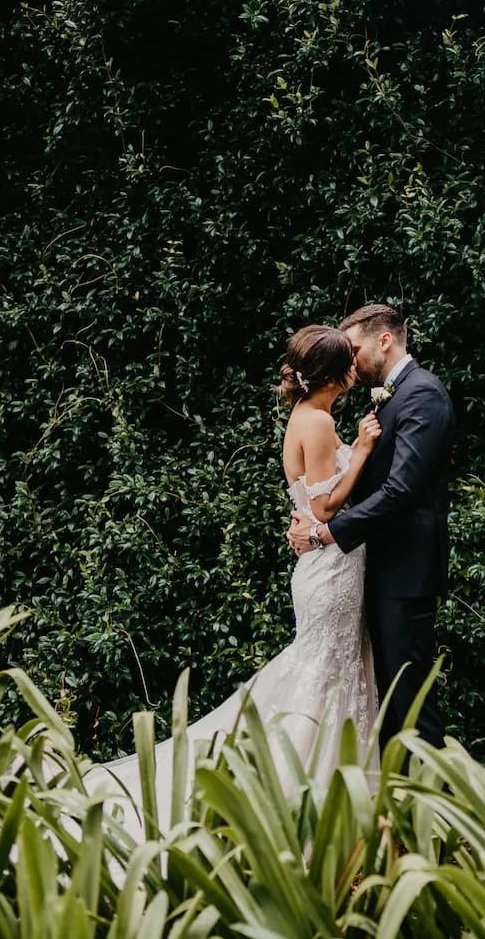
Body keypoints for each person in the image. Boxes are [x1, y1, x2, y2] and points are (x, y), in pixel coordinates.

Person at [84, 324, 381, 834]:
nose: (357, 369)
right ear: (335, 375)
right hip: (330, 566)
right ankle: (301, 787)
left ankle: (330, 781)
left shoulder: (307, 416)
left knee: (331, 668)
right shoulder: (320, 424)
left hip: (326, 563)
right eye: (348, 362)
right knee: (325, 671)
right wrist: (364, 451)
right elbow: (324, 504)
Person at [288, 304, 455, 750]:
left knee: (413, 703)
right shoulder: (387, 396)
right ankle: (394, 807)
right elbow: (351, 485)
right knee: (386, 705)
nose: (351, 361)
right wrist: (309, 511)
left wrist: (326, 531)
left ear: (385, 340)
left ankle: (435, 813)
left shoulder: (423, 393)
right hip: (369, 570)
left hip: (404, 571)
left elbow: (401, 491)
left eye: (355, 349)